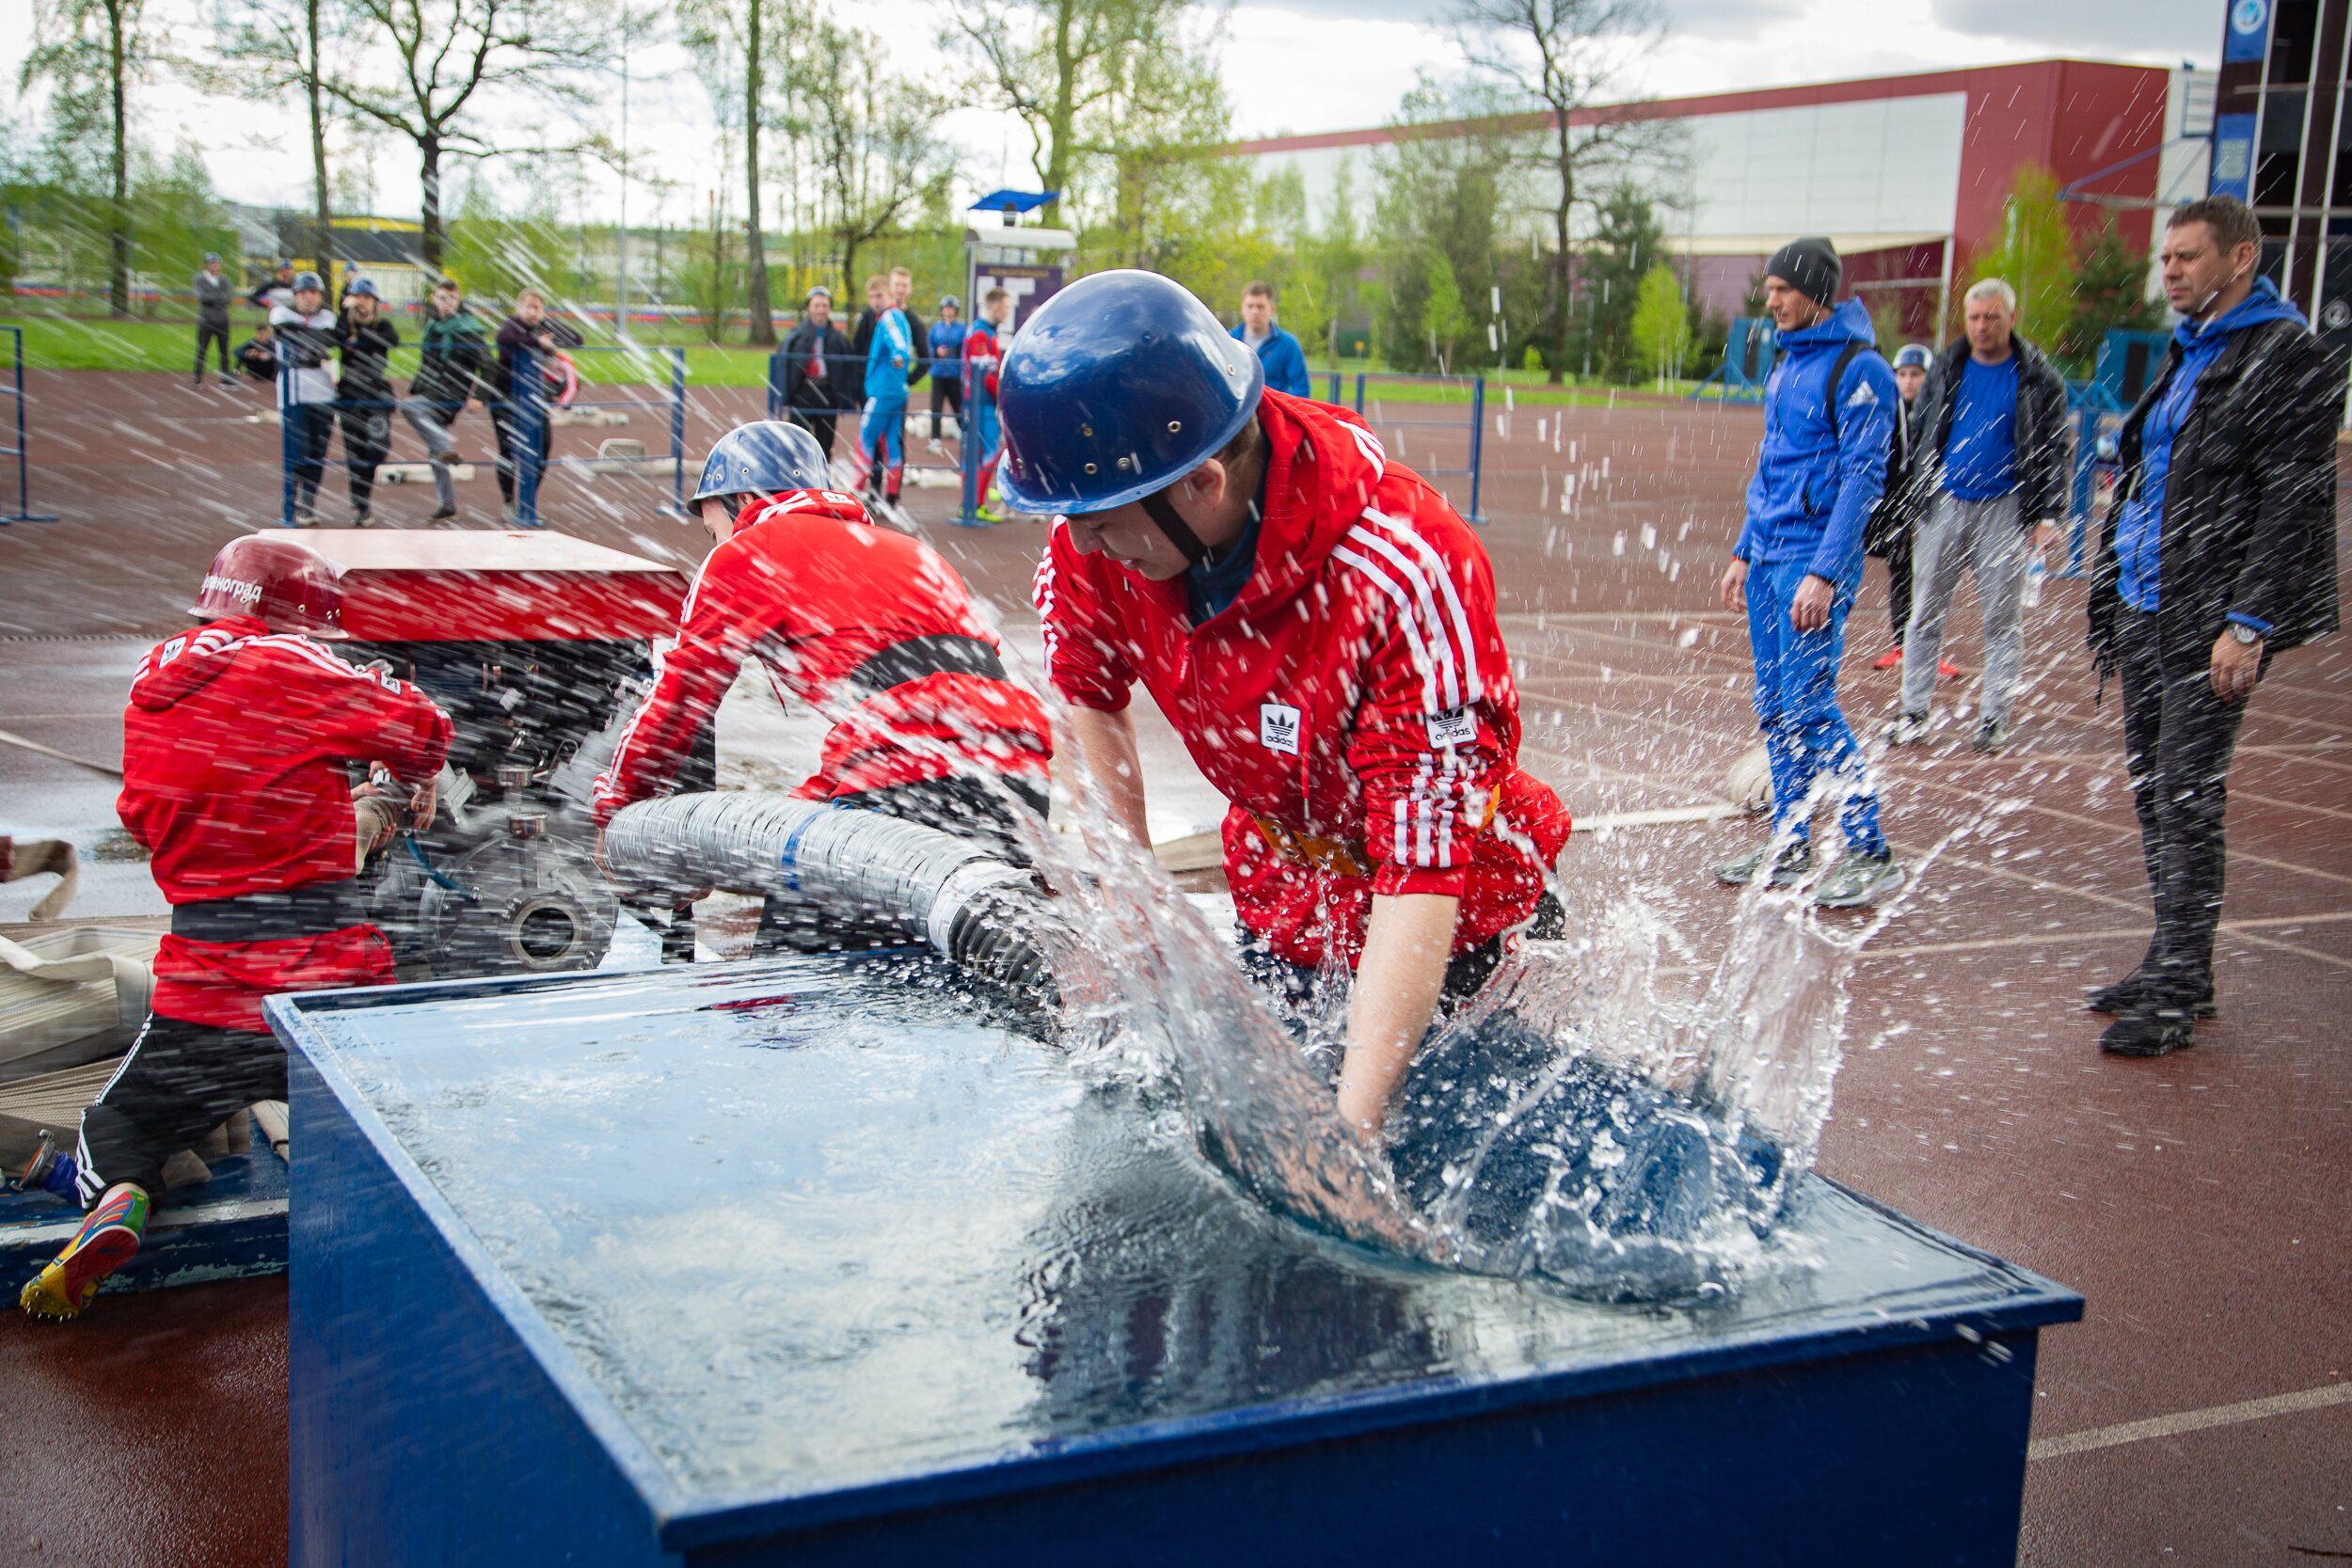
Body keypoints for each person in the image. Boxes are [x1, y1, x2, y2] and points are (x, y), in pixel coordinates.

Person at [1009, 270, 1572, 1137]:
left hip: (1453, 913)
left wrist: (1355, 1131)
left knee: (1440, 1142)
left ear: (1201, 482)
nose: (1081, 542)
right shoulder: (1111, 525)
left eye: (1101, 521)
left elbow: (1420, 869)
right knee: (1271, 1123)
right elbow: (1090, 691)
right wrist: (1131, 892)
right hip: (1288, 886)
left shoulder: (1403, 571)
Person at [14, 536, 451, 1319]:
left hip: (204, 991)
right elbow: (423, 732)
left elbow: (149, 819)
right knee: (403, 1120)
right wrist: (397, 780)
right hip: (326, 984)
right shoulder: (290, 660)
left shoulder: (155, 676)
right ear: (300, 620)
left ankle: (117, 1197)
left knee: (119, 1125)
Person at [592, 421, 1054, 947]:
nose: (714, 543)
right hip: (1018, 778)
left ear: (742, 498)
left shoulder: (751, 549)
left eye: (713, 527)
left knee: (790, 988)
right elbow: (932, 702)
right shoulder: (911, 551)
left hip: (912, 775)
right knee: (966, 972)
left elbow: (680, 697)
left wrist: (617, 813)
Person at [2085, 195, 2341, 1057]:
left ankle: (2177, 987)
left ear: (2240, 260)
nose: (2170, 272)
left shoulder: (2288, 354)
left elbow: (2294, 496)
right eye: (2164, 259)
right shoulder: (2191, 349)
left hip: (2210, 615)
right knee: (2156, 791)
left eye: (2187, 258)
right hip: (2148, 603)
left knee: (2189, 795)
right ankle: (2177, 967)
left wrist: (2250, 619)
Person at [1710, 236, 1904, 908]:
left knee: (1811, 707)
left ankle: (1869, 848)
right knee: (1776, 710)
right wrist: (1744, 548)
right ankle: (1789, 841)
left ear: (1816, 293)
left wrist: (1824, 572)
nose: (1771, 303)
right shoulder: (1786, 363)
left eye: (1782, 291)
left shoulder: (1862, 370)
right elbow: (1774, 466)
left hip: (1811, 563)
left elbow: (1862, 478)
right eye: (1768, 291)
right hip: (1768, 559)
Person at [1886, 279, 2071, 753]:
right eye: (1974, 317)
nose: (1982, 326)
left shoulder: (2038, 378)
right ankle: (1913, 711)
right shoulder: (1947, 366)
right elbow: (1923, 430)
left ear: (2011, 318)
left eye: (1991, 317)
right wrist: (1913, 498)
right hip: (1944, 502)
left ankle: (1994, 718)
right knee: (1924, 612)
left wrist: (2049, 513)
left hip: (2005, 509)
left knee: (2002, 619)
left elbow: (2054, 449)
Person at [1866, 342, 1945, 673]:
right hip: (1897, 510)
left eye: (1916, 375)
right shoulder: (1889, 412)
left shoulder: (1939, 415)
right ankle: (1901, 644)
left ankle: (1928, 647)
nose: (1908, 381)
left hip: (1930, 509)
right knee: (1901, 573)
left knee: (1931, 578)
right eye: (1902, 374)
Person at [491, 288, 583, 520]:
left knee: (542, 448)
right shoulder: (511, 326)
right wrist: (536, 342)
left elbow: (577, 339)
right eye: (528, 306)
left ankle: (526, 499)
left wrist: (550, 333)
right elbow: (504, 338)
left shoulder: (544, 327)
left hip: (534, 399)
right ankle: (509, 502)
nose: (532, 312)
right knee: (508, 449)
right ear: (519, 307)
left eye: (537, 308)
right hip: (506, 396)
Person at [405, 277, 488, 522]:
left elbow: (489, 366)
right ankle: (447, 501)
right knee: (435, 454)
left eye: (451, 298)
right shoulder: (433, 327)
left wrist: (479, 396)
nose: (446, 303)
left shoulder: (467, 330)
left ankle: (444, 445)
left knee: (409, 409)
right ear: (434, 299)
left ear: (458, 300)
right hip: (431, 390)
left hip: (450, 395)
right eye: (442, 298)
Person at [336, 278, 410, 525]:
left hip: (376, 393)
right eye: (358, 297)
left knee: (377, 447)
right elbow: (336, 337)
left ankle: (362, 497)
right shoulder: (346, 325)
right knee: (354, 453)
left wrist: (362, 338)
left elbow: (390, 340)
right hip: (349, 395)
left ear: (375, 301)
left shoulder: (383, 324)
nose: (363, 301)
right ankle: (361, 505)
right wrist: (346, 313)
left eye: (367, 297)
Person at [271, 271, 341, 526]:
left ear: (320, 296)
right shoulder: (280, 313)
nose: (308, 298)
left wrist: (308, 340)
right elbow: (287, 333)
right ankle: (290, 503)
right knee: (295, 449)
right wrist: (314, 344)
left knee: (317, 450)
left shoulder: (327, 317)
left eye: (313, 293)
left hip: (322, 392)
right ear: (295, 296)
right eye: (303, 293)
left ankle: (308, 502)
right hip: (293, 392)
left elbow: (327, 339)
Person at [852, 276, 914, 510]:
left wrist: (899, 356)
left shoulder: (889, 317)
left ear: (889, 295)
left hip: (883, 389)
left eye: (879, 295)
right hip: (896, 389)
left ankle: (855, 493)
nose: (874, 301)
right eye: (871, 297)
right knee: (891, 444)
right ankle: (891, 497)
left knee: (865, 439)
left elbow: (899, 344)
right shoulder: (896, 316)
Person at [778, 285, 853, 460]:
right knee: (797, 443)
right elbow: (784, 365)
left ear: (830, 308)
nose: (820, 310)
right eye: (817, 305)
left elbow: (849, 370)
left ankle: (820, 484)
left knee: (824, 445)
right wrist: (786, 394)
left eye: (824, 306)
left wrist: (845, 398)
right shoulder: (796, 335)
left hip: (827, 393)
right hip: (803, 392)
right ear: (809, 307)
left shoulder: (838, 338)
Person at [961, 287, 1011, 518]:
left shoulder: (984, 331)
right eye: (1007, 307)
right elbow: (983, 373)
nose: (1008, 312)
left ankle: (972, 504)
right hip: (981, 402)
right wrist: (1002, 392)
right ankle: (974, 505)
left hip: (979, 401)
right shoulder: (981, 333)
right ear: (996, 307)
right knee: (990, 451)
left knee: (980, 452)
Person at [1231, 280, 1311, 399]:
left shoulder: (1288, 345)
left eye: (1261, 307)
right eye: (1250, 306)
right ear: (1242, 307)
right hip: (1237, 415)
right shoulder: (1229, 341)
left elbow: (1302, 389)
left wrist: (1276, 407)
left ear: (1272, 309)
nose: (1255, 312)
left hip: (1273, 414)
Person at [927, 295, 967, 450]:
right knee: (936, 407)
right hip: (938, 373)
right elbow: (929, 346)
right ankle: (935, 439)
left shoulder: (961, 328)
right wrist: (936, 352)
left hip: (954, 373)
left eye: (951, 308)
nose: (948, 311)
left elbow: (964, 349)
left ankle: (966, 435)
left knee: (957, 406)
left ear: (955, 311)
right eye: (946, 308)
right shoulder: (936, 328)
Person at [192, 253, 237, 389]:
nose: (215, 265)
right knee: (202, 349)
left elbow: (228, 298)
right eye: (212, 263)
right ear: (207, 264)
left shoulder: (225, 280)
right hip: (206, 319)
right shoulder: (199, 279)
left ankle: (225, 380)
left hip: (222, 319)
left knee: (224, 350)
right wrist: (219, 297)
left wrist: (214, 298)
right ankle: (197, 378)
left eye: (217, 263)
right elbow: (202, 297)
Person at [235, 320, 279, 385]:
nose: (260, 336)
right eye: (258, 334)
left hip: (268, 371)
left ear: (266, 333)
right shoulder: (253, 343)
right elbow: (236, 351)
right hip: (255, 371)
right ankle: (236, 371)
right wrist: (248, 353)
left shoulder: (272, 344)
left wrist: (270, 356)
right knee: (246, 352)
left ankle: (275, 377)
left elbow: (279, 355)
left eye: (262, 334)